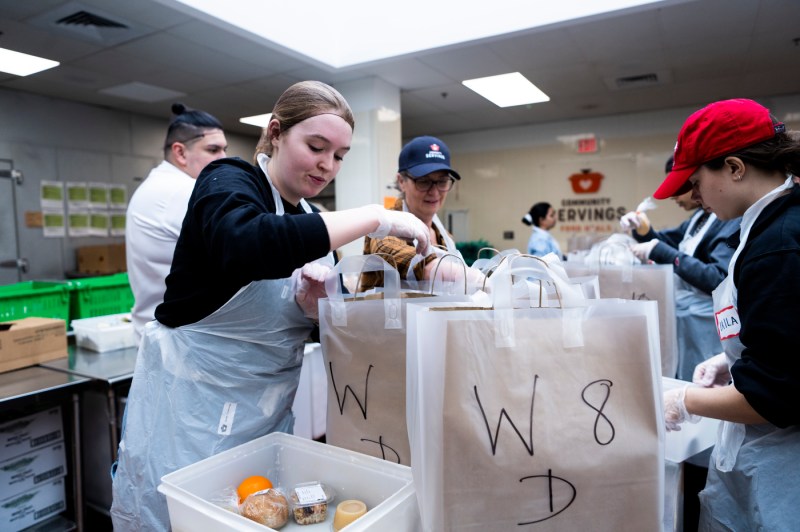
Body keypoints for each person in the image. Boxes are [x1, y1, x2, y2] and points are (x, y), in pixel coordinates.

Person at [110, 80, 432, 531]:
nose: (327, 165)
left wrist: (318, 312)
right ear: (277, 132)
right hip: (190, 422)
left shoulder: (311, 223)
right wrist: (377, 216)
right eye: (316, 146)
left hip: (264, 425)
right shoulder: (228, 181)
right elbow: (246, 243)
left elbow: (313, 327)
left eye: (339, 156)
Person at [656, 98, 800, 531]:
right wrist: (733, 357)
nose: (694, 195)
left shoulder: (779, 243)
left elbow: (773, 396)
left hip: (783, 465)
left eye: (697, 181)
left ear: (735, 168)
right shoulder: (766, 224)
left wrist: (683, 399)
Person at [620, 156, 740, 380]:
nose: (678, 195)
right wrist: (644, 230)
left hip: (708, 325)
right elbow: (668, 242)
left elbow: (718, 278)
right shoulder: (699, 218)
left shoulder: (729, 219)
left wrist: (658, 250)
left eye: (690, 185)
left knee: (708, 382)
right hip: (689, 322)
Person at [125, 103, 228, 342]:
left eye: (224, 149)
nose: (224, 158)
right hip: (177, 343)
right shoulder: (180, 192)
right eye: (213, 150)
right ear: (180, 153)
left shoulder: (160, 185)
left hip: (164, 336)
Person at [360, 135, 481, 290]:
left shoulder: (445, 237)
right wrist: (433, 267)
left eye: (442, 181)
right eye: (424, 181)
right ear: (401, 182)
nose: (435, 192)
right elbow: (389, 250)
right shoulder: (385, 224)